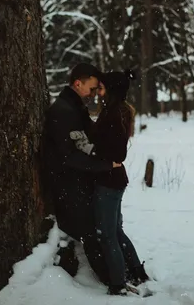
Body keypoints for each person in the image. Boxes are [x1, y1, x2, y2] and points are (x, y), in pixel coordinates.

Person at [71, 69, 149, 296]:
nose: (98, 92)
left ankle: (118, 284)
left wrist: (90, 148)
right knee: (114, 231)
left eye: (102, 88)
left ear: (112, 90)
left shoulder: (115, 114)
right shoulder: (113, 111)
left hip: (109, 182)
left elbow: (117, 152)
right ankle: (136, 271)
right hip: (112, 180)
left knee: (106, 235)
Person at [43, 63, 121, 284]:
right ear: (78, 83)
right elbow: (68, 157)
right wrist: (105, 165)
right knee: (92, 235)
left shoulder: (75, 107)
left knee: (103, 231)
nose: (94, 94)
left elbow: (90, 138)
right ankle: (110, 282)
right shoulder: (63, 111)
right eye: (92, 88)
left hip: (79, 182)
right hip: (69, 186)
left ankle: (118, 276)